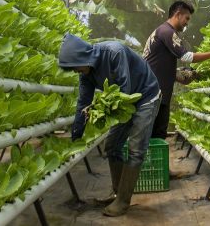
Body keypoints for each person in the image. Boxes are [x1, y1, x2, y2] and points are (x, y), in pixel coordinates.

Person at [58, 33, 161, 217]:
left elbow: (125, 90)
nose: (75, 71)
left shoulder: (114, 52)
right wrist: (76, 134)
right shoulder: (86, 74)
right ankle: (118, 193)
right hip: (125, 101)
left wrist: (100, 107)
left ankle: (123, 201)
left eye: (75, 67)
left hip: (146, 96)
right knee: (112, 146)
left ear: (83, 58)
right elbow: (83, 102)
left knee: (136, 149)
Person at [143, 0, 210, 140]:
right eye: (186, 18)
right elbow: (187, 57)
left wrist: (178, 75)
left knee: (154, 135)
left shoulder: (161, 31)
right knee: (155, 136)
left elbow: (157, 64)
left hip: (154, 93)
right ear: (178, 14)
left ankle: (149, 161)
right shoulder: (167, 31)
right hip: (154, 94)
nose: (187, 22)